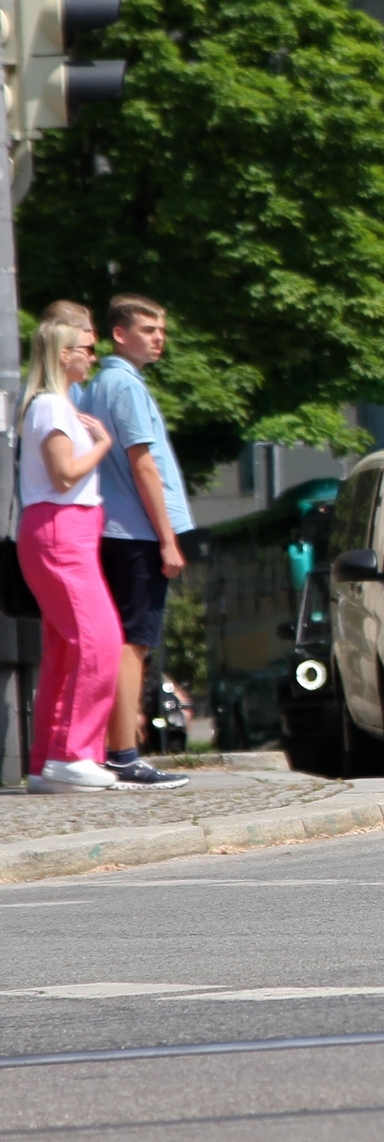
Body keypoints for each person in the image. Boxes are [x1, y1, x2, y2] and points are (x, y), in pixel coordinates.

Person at [80, 295, 194, 789]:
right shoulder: (123, 386)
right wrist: (167, 538)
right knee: (134, 643)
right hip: (137, 532)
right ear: (119, 334)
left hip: (116, 530)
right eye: (147, 328)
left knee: (122, 640)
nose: (158, 337)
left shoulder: (98, 385)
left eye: (161, 328)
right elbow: (143, 463)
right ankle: (123, 753)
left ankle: (114, 748)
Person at [20, 306, 124, 792]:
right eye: (85, 349)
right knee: (99, 641)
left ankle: (51, 760)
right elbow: (64, 475)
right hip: (63, 530)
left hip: (61, 529)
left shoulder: (50, 404)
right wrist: (103, 443)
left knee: (66, 648)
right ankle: (75, 753)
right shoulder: (54, 406)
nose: (92, 356)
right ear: (64, 356)